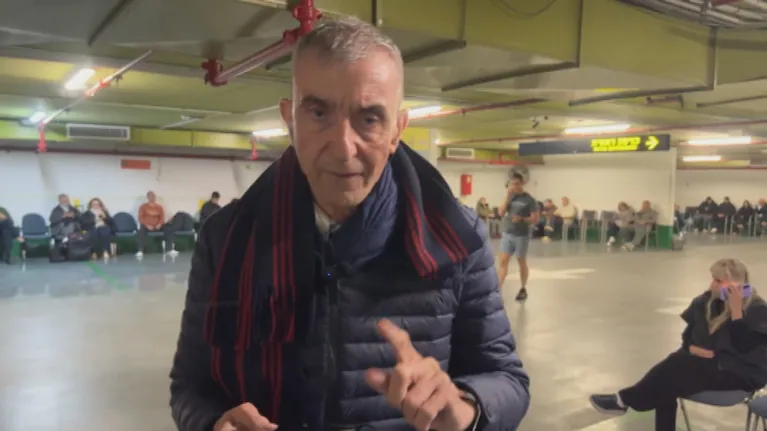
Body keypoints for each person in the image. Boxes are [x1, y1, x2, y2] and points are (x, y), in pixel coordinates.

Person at [169, 17, 529, 431]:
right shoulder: (227, 239)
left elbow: (507, 380)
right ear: (290, 120)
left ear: (397, 131)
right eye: (318, 112)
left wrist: (466, 407)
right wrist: (213, 423)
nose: (343, 148)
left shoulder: (455, 239)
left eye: (369, 119)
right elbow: (190, 386)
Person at [589, 258, 767, 431]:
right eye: (713, 279)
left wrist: (736, 312)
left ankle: (623, 400)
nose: (713, 284)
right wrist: (691, 348)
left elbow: (744, 346)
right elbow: (688, 336)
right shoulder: (706, 301)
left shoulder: (756, 308)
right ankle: (624, 401)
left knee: (673, 370)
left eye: (719, 281)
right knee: (668, 380)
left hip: (740, 373)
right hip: (707, 366)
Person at [497, 173, 538, 301]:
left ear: (522, 184)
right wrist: (507, 196)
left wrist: (522, 219)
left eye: (517, 184)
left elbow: (535, 219)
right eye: (512, 184)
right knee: (503, 261)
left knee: (521, 261)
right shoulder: (510, 197)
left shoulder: (529, 200)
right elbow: (501, 212)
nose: (514, 186)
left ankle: (523, 288)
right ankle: (498, 290)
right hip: (508, 233)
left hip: (521, 235)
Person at [136, 191, 177, 258]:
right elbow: (140, 218)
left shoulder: (159, 207)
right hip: (147, 226)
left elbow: (162, 217)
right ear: (148, 197)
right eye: (151, 196)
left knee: (168, 228)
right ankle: (140, 250)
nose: (152, 198)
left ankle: (169, 249)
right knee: (141, 230)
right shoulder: (143, 207)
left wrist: (159, 224)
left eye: (153, 196)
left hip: (158, 226)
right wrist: (147, 225)